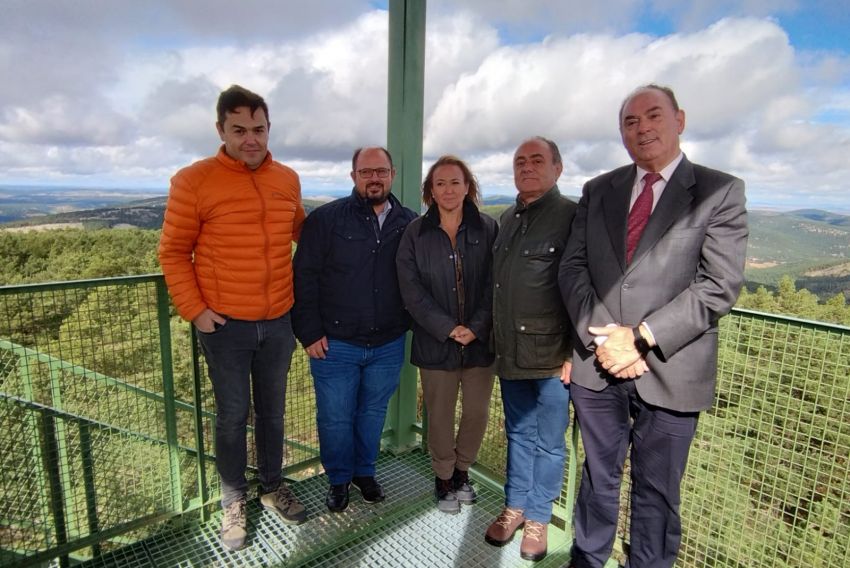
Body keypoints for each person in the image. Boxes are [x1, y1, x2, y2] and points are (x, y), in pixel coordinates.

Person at [559, 84, 748, 568]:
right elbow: (573, 269)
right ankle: (587, 558)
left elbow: (718, 284)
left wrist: (640, 338)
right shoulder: (598, 190)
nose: (642, 127)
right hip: (598, 364)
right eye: (630, 121)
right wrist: (605, 337)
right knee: (598, 478)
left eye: (653, 116)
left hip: (671, 368)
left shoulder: (719, 190)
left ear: (679, 120)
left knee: (657, 492)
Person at [159, 85, 307, 551]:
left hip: (280, 319)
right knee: (231, 416)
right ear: (220, 129)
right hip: (224, 326)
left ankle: (271, 485)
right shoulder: (194, 180)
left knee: (273, 412)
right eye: (239, 129)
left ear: (268, 129)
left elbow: (302, 232)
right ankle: (233, 501)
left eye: (258, 129)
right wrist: (196, 311)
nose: (251, 139)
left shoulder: (287, 178)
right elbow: (173, 252)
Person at [292, 146, 417, 513]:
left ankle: (365, 473)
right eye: (366, 172)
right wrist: (309, 332)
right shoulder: (326, 220)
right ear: (353, 177)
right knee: (334, 417)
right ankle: (337, 480)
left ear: (392, 174)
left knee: (372, 414)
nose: (374, 178)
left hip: (388, 342)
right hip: (335, 343)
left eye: (381, 171)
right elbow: (304, 277)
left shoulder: (408, 222)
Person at [484, 137, 577, 562]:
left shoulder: (572, 217)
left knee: (550, 443)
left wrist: (577, 352)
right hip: (511, 353)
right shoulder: (507, 218)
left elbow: (584, 288)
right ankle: (514, 507)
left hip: (554, 359)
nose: (526, 167)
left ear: (557, 168)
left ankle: (538, 517)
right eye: (520, 161)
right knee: (518, 435)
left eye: (537, 160)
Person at [396, 155, 498, 514]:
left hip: (479, 344)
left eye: (456, 182)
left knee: (476, 412)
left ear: (467, 187)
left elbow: (494, 284)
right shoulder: (416, 233)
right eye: (440, 184)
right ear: (430, 192)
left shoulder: (487, 229)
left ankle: (461, 471)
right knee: (438, 414)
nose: (449, 190)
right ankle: (442, 477)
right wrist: (446, 327)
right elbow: (410, 290)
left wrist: (477, 326)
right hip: (435, 341)